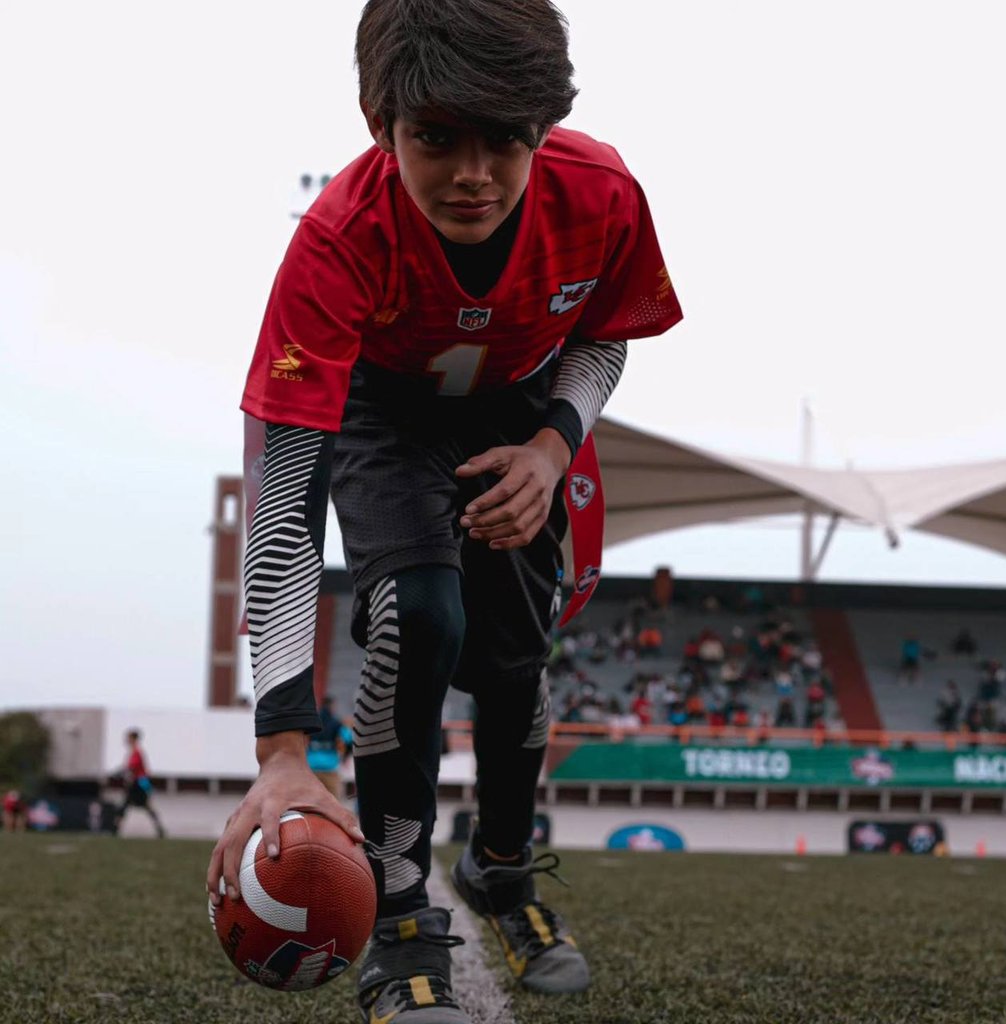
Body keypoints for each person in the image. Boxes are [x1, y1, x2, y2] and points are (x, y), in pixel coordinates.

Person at [206, 2, 682, 1021]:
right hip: (388, 411)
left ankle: (500, 871)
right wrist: (284, 750)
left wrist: (555, 444)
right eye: (436, 137)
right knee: (416, 613)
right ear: (381, 123)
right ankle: (396, 913)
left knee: (516, 656)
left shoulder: (600, 191)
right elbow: (286, 502)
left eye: (505, 138)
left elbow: (605, 335)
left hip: (521, 413)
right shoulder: (336, 242)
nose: (475, 172)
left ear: (542, 127)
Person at [113, 729, 165, 838]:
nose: (127, 740)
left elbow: (132, 767)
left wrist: (120, 772)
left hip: (138, 784)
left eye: (129, 737)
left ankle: (160, 829)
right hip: (136, 784)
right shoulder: (134, 752)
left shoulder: (136, 752)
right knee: (127, 806)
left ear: (133, 739)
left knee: (139, 806)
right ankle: (115, 829)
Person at [306, 695, 352, 800]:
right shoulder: (336, 723)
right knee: (333, 800)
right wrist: (345, 756)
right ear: (332, 706)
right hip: (330, 767)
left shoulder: (312, 722)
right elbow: (349, 738)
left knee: (312, 800)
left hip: (312, 766)